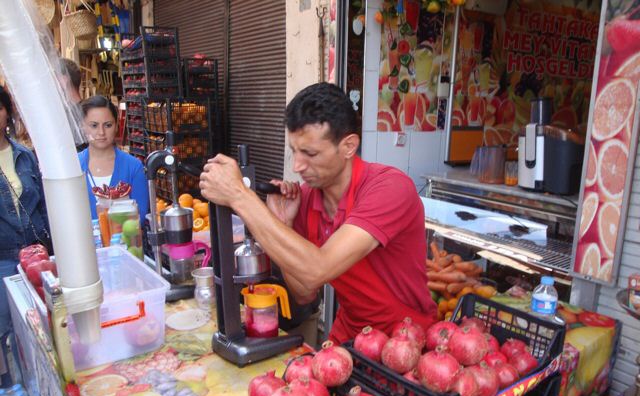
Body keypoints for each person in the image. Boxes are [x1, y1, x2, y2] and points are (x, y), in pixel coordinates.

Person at [199, 82, 437, 343]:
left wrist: (239, 196)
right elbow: (304, 292)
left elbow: (317, 268)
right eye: (294, 151)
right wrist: (284, 224)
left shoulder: (389, 188)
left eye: (310, 153)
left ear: (348, 146)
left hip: (405, 338)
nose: (298, 165)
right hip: (351, 334)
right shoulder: (309, 198)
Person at [0, 86, 50, 386]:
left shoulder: (24, 155)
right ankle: (13, 388)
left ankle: (41, 388)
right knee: (6, 328)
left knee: (41, 328)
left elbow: (43, 202)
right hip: (2, 259)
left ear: (8, 112)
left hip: (36, 253)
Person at [78, 95, 148, 222]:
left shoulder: (133, 167)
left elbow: (140, 217)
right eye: (94, 125)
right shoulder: (73, 166)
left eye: (108, 125)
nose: (101, 132)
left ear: (117, 126)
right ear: (83, 127)